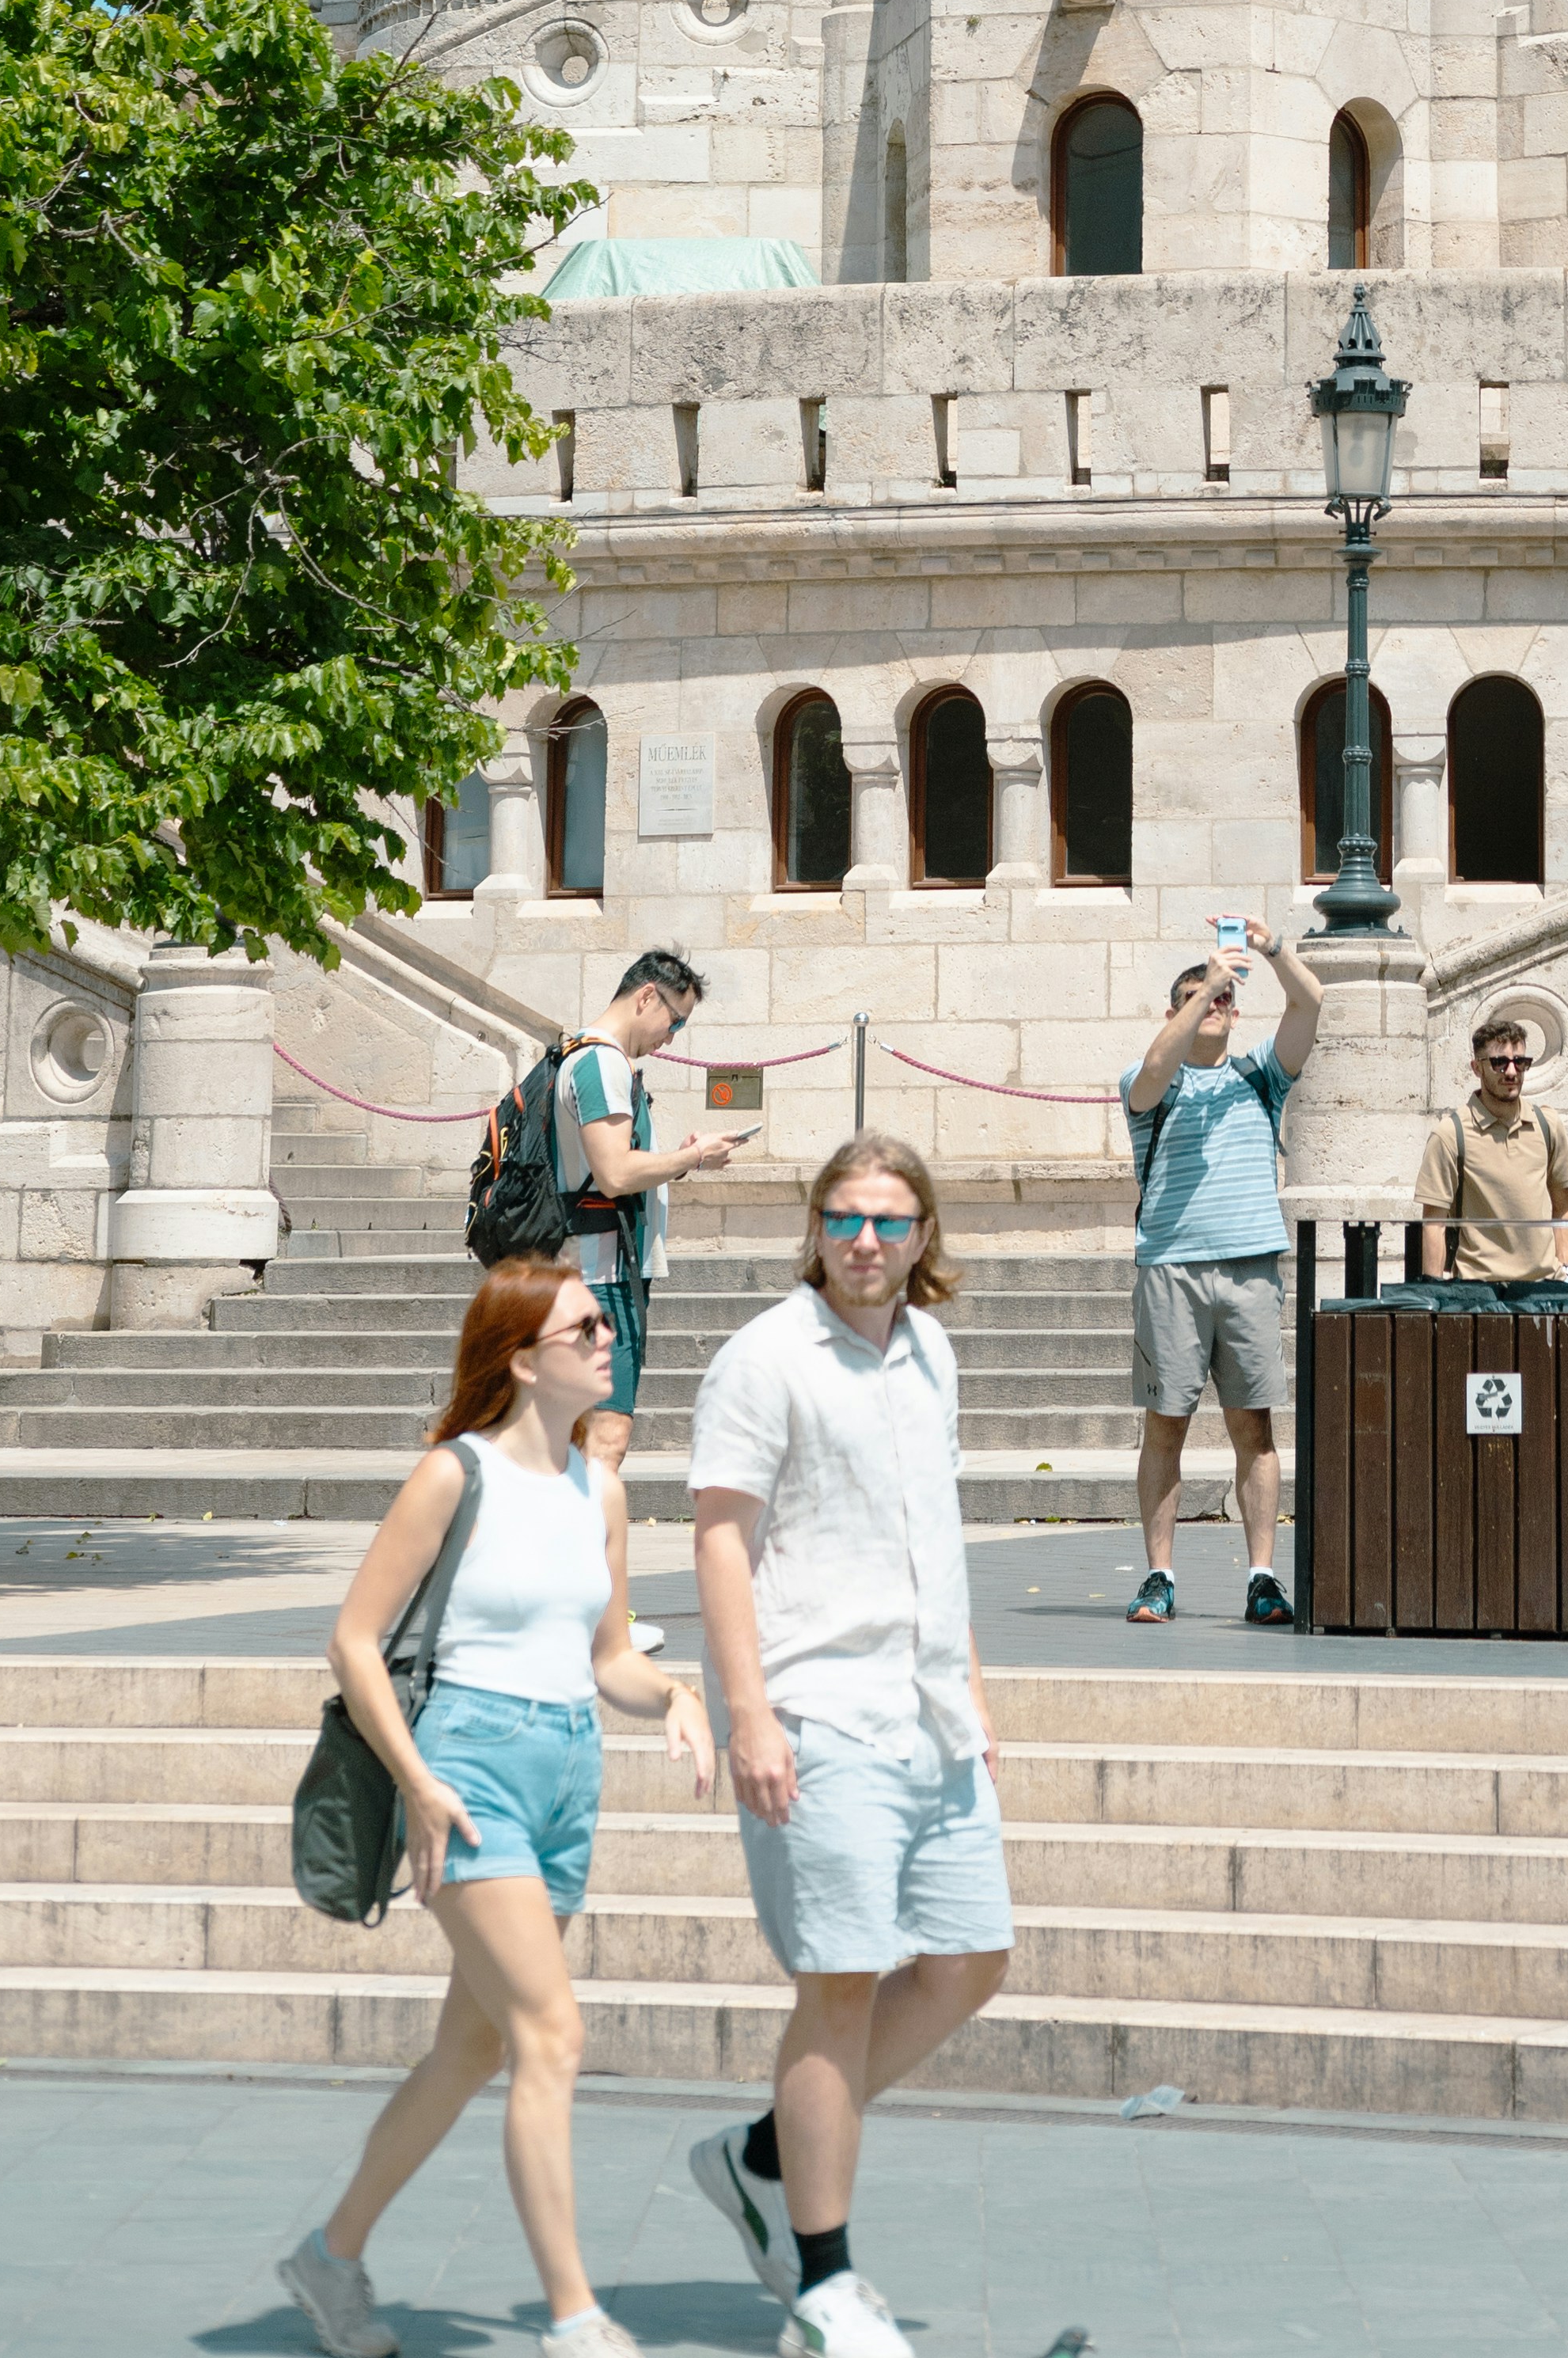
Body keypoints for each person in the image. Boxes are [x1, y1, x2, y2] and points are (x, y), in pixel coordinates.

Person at [277, 1254, 713, 2358]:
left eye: (603, 1324)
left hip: (569, 1768)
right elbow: (355, 1642)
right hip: (469, 1765)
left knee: (471, 2052)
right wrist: (420, 1781)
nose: (606, 1339)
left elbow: (609, 1656)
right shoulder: (452, 1477)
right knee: (551, 2036)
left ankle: (329, 2256)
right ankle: (576, 2320)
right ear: (522, 1359)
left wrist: (675, 1692)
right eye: (583, 1330)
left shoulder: (600, 1490)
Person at [684, 1133, 1008, 2358]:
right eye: (844, 1217)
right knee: (837, 1980)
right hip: (818, 1709)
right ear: (814, 1227)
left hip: (929, 1713)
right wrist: (749, 1712)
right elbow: (721, 1539)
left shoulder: (931, 1351)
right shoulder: (763, 1359)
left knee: (973, 1956)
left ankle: (765, 2154)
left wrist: (971, 1693)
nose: (865, 1240)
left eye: (890, 1219)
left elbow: (938, 1531)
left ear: (925, 1235)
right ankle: (824, 2281)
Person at [1122, 917, 1320, 1623]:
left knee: (1254, 1429)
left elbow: (1310, 1007)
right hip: (1171, 1271)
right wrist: (1207, 981)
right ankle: (1159, 1576)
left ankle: (1262, 1576)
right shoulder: (1151, 1084)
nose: (1216, 1007)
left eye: (1227, 1000)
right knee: (1165, 1426)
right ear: (1177, 1010)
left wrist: (1270, 952)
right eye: (1200, 1000)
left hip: (1250, 1269)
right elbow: (1152, 1069)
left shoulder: (1258, 1076)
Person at [556, 949, 750, 1478]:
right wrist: (693, 1156)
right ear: (647, 997)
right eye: (676, 1019)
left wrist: (680, 1164)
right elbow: (615, 1174)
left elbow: (611, 1169)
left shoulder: (588, 1055)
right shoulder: (602, 1062)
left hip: (596, 1269)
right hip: (601, 1275)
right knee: (607, 1436)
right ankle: (585, 1556)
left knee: (585, 1438)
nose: (673, 1036)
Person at [1420, 1010, 1568, 1291]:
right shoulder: (1450, 1134)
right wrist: (1435, 1296)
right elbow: (1434, 1223)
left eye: (1520, 1062)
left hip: (1545, 1290)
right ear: (1477, 1067)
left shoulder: (1547, 1125)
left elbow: (1564, 1207)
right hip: (1479, 1293)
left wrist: (1566, 1273)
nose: (1511, 1072)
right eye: (1499, 1063)